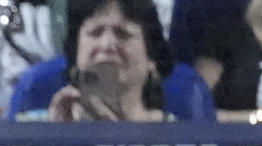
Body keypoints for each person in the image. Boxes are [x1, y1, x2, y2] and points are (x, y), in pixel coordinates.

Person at [47, 0, 176, 121]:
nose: (107, 45)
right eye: (95, 33)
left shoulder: (181, 137)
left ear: (151, 58)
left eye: (123, 34)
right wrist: (57, 135)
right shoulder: (37, 124)